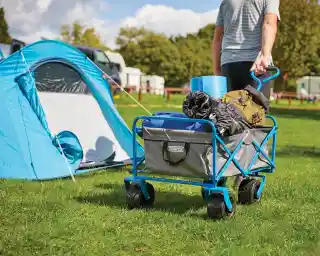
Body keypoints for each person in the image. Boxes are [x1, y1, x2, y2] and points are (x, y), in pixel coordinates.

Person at [212, 0, 280, 99]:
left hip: (229, 65)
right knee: (256, 112)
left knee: (229, 112)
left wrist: (217, 70)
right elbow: (269, 23)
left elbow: (217, 38)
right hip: (257, 64)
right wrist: (264, 56)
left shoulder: (226, 1)